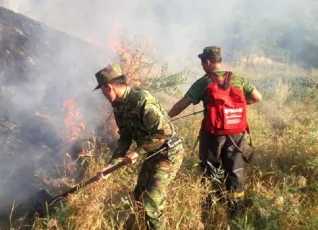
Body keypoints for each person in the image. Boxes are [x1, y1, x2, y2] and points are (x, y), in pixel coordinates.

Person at [168, 46, 262, 217]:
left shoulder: (204, 82)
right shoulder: (238, 79)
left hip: (212, 134)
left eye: (202, 63)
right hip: (237, 133)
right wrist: (231, 108)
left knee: (210, 169)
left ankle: (210, 210)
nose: (202, 66)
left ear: (208, 62)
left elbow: (182, 104)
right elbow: (257, 97)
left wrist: (166, 119)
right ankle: (236, 212)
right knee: (234, 170)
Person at [94, 63, 184, 230]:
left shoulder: (141, 99)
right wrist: (110, 166)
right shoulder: (118, 105)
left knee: (151, 203)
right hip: (152, 153)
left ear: (108, 86)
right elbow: (125, 137)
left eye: (102, 90)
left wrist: (137, 152)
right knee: (140, 195)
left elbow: (163, 133)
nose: (103, 95)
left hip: (168, 153)